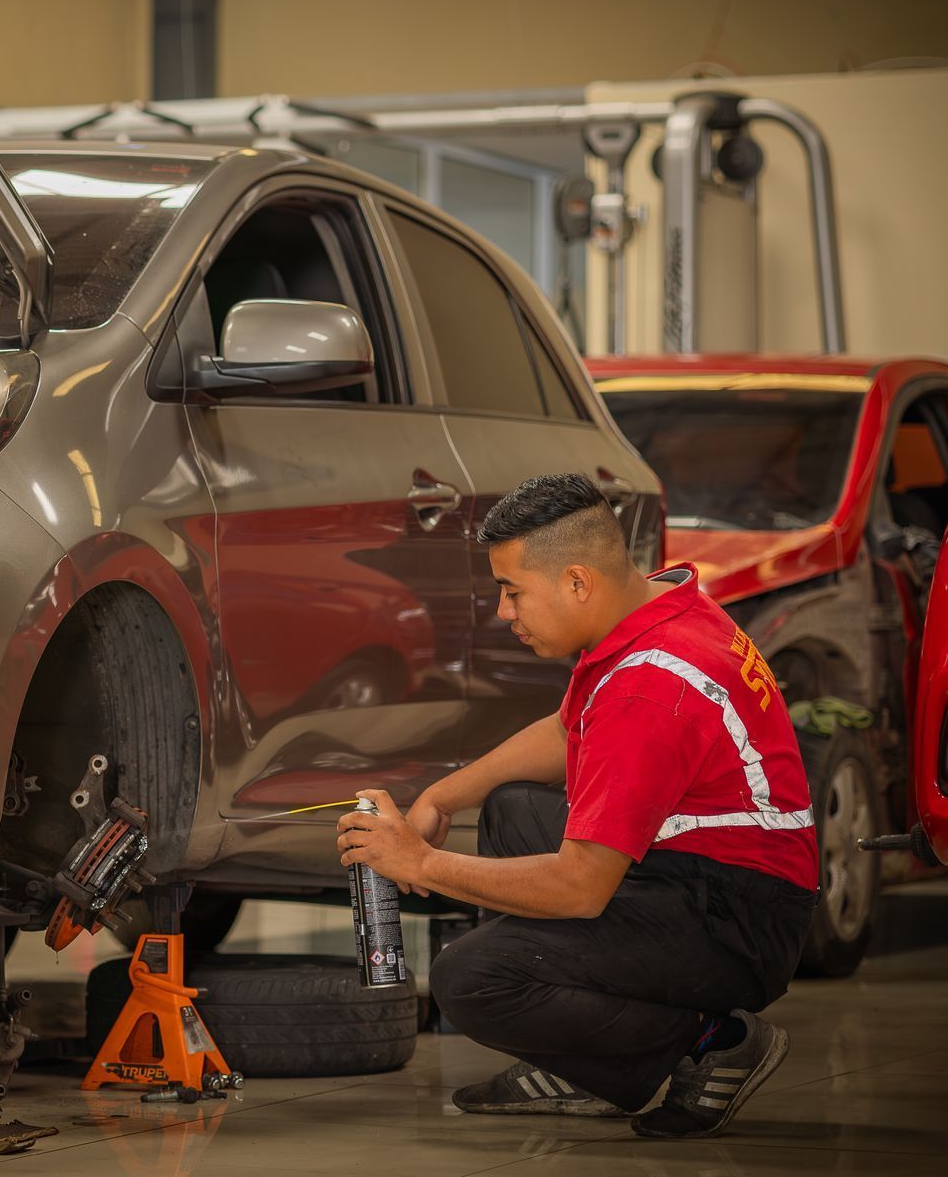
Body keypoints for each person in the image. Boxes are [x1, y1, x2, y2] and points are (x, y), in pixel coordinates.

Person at [336, 473, 817, 1139]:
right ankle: (589, 1060)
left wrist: (422, 861)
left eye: (512, 592)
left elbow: (581, 887)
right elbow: (568, 731)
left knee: (472, 978)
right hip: (712, 874)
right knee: (509, 809)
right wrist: (444, 795)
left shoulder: (649, 687)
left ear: (577, 582)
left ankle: (710, 1041)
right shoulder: (657, 610)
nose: (504, 613)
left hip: (740, 919)